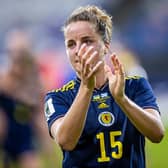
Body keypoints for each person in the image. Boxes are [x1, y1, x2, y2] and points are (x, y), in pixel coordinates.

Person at [44, 5, 165, 168]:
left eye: (87, 41)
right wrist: (86, 88)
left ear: (106, 46)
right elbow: (65, 141)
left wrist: (122, 100)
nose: (78, 50)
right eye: (71, 44)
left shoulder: (135, 85)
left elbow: (157, 134)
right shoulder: (57, 97)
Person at [0, 29, 43, 168]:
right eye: (14, 53)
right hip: (6, 134)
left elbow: (39, 110)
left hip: (24, 136)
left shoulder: (35, 80)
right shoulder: (4, 78)